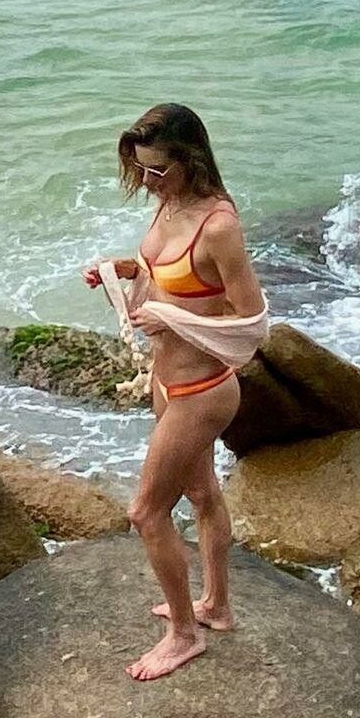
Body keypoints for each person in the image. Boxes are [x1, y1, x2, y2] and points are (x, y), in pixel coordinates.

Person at [82, 104, 265, 682]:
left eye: (158, 170)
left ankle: (184, 635)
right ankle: (216, 606)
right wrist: (123, 270)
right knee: (203, 493)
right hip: (168, 382)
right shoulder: (168, 203)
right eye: (141, 169)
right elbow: (164, 275)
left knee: (145, 512)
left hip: (204, 391)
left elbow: (252, 325)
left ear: (190, 159)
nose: (147, 181)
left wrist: (173, 320)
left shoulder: (219, 226)